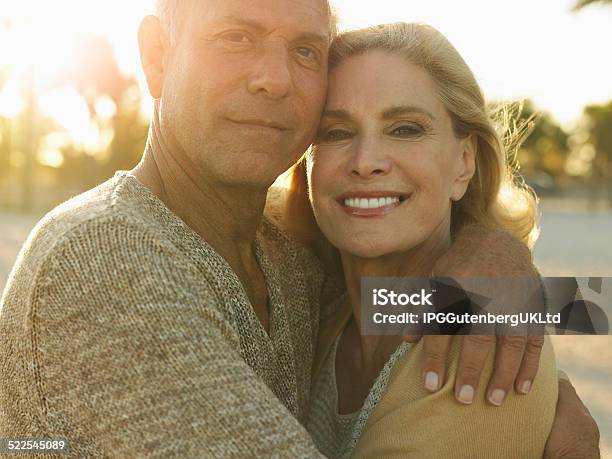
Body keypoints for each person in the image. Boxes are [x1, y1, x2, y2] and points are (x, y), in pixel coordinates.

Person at [0, 1, 599, 457]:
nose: (275, 79)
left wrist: (490, 250)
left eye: (307, 51)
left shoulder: (292, 262)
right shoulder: (106, 259)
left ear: (465, 161)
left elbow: (568, 310)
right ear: (158, 56)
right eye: (236, 37)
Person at [280, 22, 597, 458]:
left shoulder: (483, 345)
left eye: (406, 128)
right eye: (336, 132)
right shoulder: (334, 309)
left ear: (464, 163)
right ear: (307, 166)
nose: (365, 161)